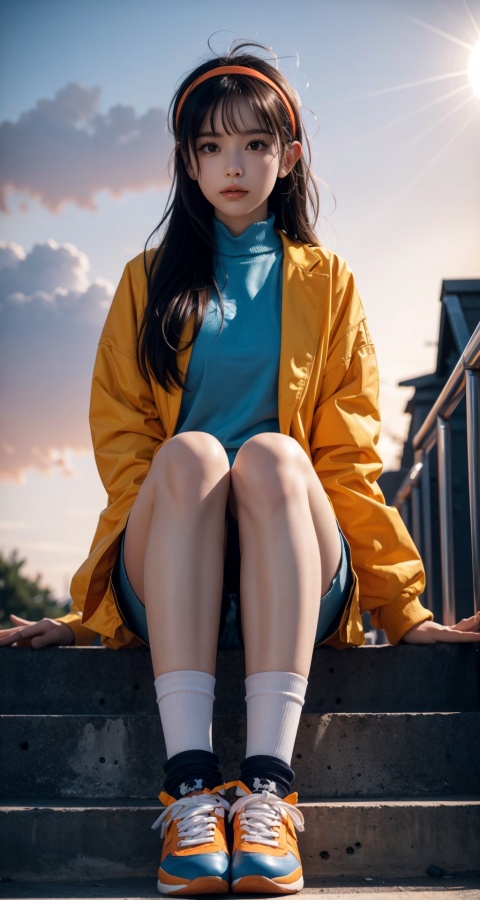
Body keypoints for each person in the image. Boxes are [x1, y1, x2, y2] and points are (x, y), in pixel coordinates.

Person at [2, 41, 480, 897]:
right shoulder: (145, 282)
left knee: (273, 454)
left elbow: (348, 459)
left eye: (256, 145)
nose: (235, 164)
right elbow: (126, 460)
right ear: (187, 162)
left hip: (295, 561)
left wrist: (404, 607)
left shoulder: (327, 282)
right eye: (213, 147)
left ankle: (266, 789)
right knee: (188, 454)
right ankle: (190, 790)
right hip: (170, 571)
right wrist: (89, 612)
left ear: (288, 156)